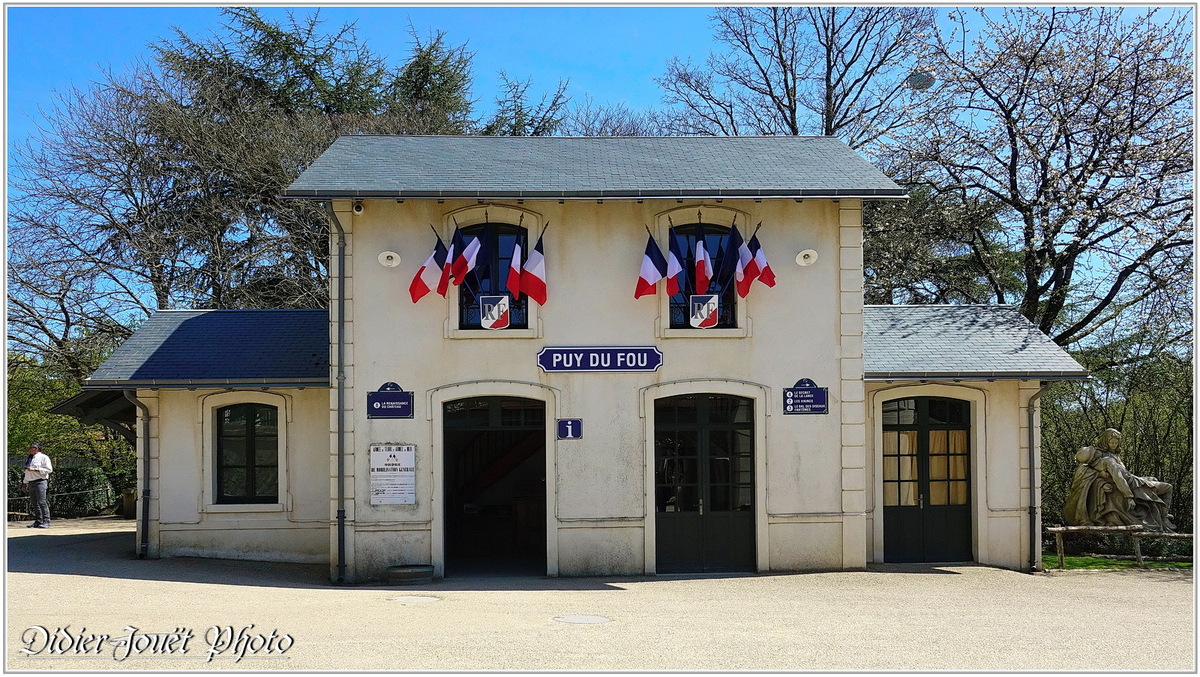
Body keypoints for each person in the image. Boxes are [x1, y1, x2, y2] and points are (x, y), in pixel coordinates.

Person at [1064, 428, 1175, 532]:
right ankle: (1164, 517)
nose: (1114, 445)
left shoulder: (1111, 456)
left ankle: (1162, 514)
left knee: (1153, 479)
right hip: (1130, 484)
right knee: (1168, 487)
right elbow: (1117, 477)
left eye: (1116, 443)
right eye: (1111, 442)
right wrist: (1128, 496)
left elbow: (1119, 473)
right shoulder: (1106, 460)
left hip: (1131, 479)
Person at [23, 443, 53, 528]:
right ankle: (38, 521)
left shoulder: (44, 457)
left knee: (42, 502)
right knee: (34, 503)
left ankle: (46, 521)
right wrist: (24, 483)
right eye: (30, 447)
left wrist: (35, 469)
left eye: (33, 448)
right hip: (31, 482)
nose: (30, 449)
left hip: (40, 482)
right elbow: (27, 472)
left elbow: (49, 469)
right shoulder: (29, 458)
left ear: (37, 449)